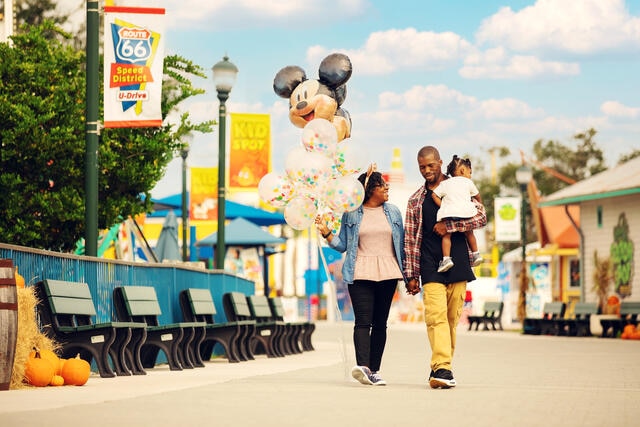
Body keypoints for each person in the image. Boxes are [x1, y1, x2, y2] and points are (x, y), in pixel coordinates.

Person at [315, 164, 406, 386]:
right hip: (360, 272)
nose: (387, 187)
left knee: (380, 323)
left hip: (388, 272)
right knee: (363, 322)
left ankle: (375, 370)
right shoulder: (352, 213)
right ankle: (363, 367)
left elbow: (401, 245)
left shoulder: (393, 211)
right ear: (370, 189)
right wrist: (327, 232)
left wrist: (410, 274)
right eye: (382, 184)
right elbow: (342, 245)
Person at [404, 146, 486, 389]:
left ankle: (440, 367)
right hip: (430, 264)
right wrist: (411, 275)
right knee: (436, 317)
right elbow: (410, 239)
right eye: (421, 167)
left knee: (451, 320)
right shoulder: (415, 200)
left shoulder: (459, 186)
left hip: (458, 260)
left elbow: (481, 216)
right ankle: (443, 367)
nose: (427, 171)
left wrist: (450, 227)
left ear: (440, 163)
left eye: (431, 165)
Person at [431, 155, 484, 273]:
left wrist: (443, 206)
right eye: (470, 172)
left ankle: (446, 259)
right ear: (463, 170)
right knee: (469, 233)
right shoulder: (468, 182)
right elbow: (477, 195)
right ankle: (476, 254)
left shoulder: (446, 183)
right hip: (466, 211)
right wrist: (480, 204)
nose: (470, 175)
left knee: (447, 235)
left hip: (450, 212)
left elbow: (434, 195)